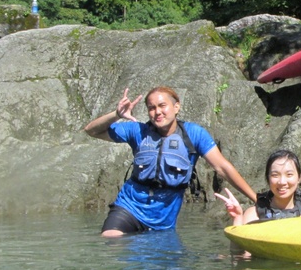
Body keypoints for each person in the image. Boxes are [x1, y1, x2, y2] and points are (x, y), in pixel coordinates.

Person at [84, 86, 256, 237]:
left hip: (163, 221)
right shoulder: (137, 131)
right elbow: (91, 130)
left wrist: (257, 199)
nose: (157, 112)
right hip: (129, 208)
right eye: (151, 108)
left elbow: (223, 167)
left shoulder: (194, 134)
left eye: (162, 106)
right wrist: (116, 115)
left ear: (176, 107)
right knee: (111, 238)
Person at [216, 150, 301, 225]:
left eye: (289, 174)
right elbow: (241, 255)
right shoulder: (255, 215)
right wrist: (238, 218)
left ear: (299, 178)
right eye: (275, 175)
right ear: (268, 179)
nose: (282, 182)